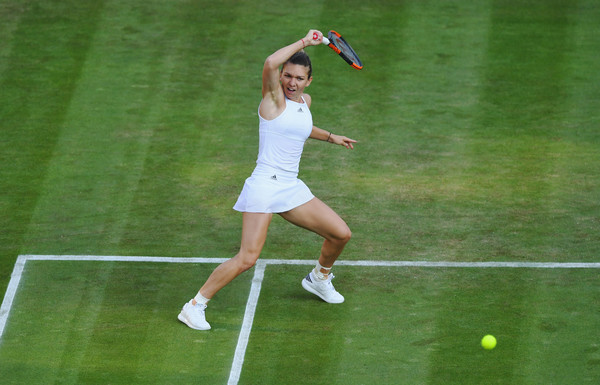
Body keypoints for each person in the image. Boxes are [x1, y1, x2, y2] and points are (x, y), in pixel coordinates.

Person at [178, 29, 357, 330]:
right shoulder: (273, 100)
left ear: (308, 81)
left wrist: (331, 137)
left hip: (290, 186)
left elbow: (300, 128)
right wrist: (305, 41)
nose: (291, 82)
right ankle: (195, 305)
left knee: (340, 234)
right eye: (288, 76)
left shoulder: (305, 103)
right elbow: (269, 63)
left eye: (299, 78)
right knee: (247, 257)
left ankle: (319, 278)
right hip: (265, 185)